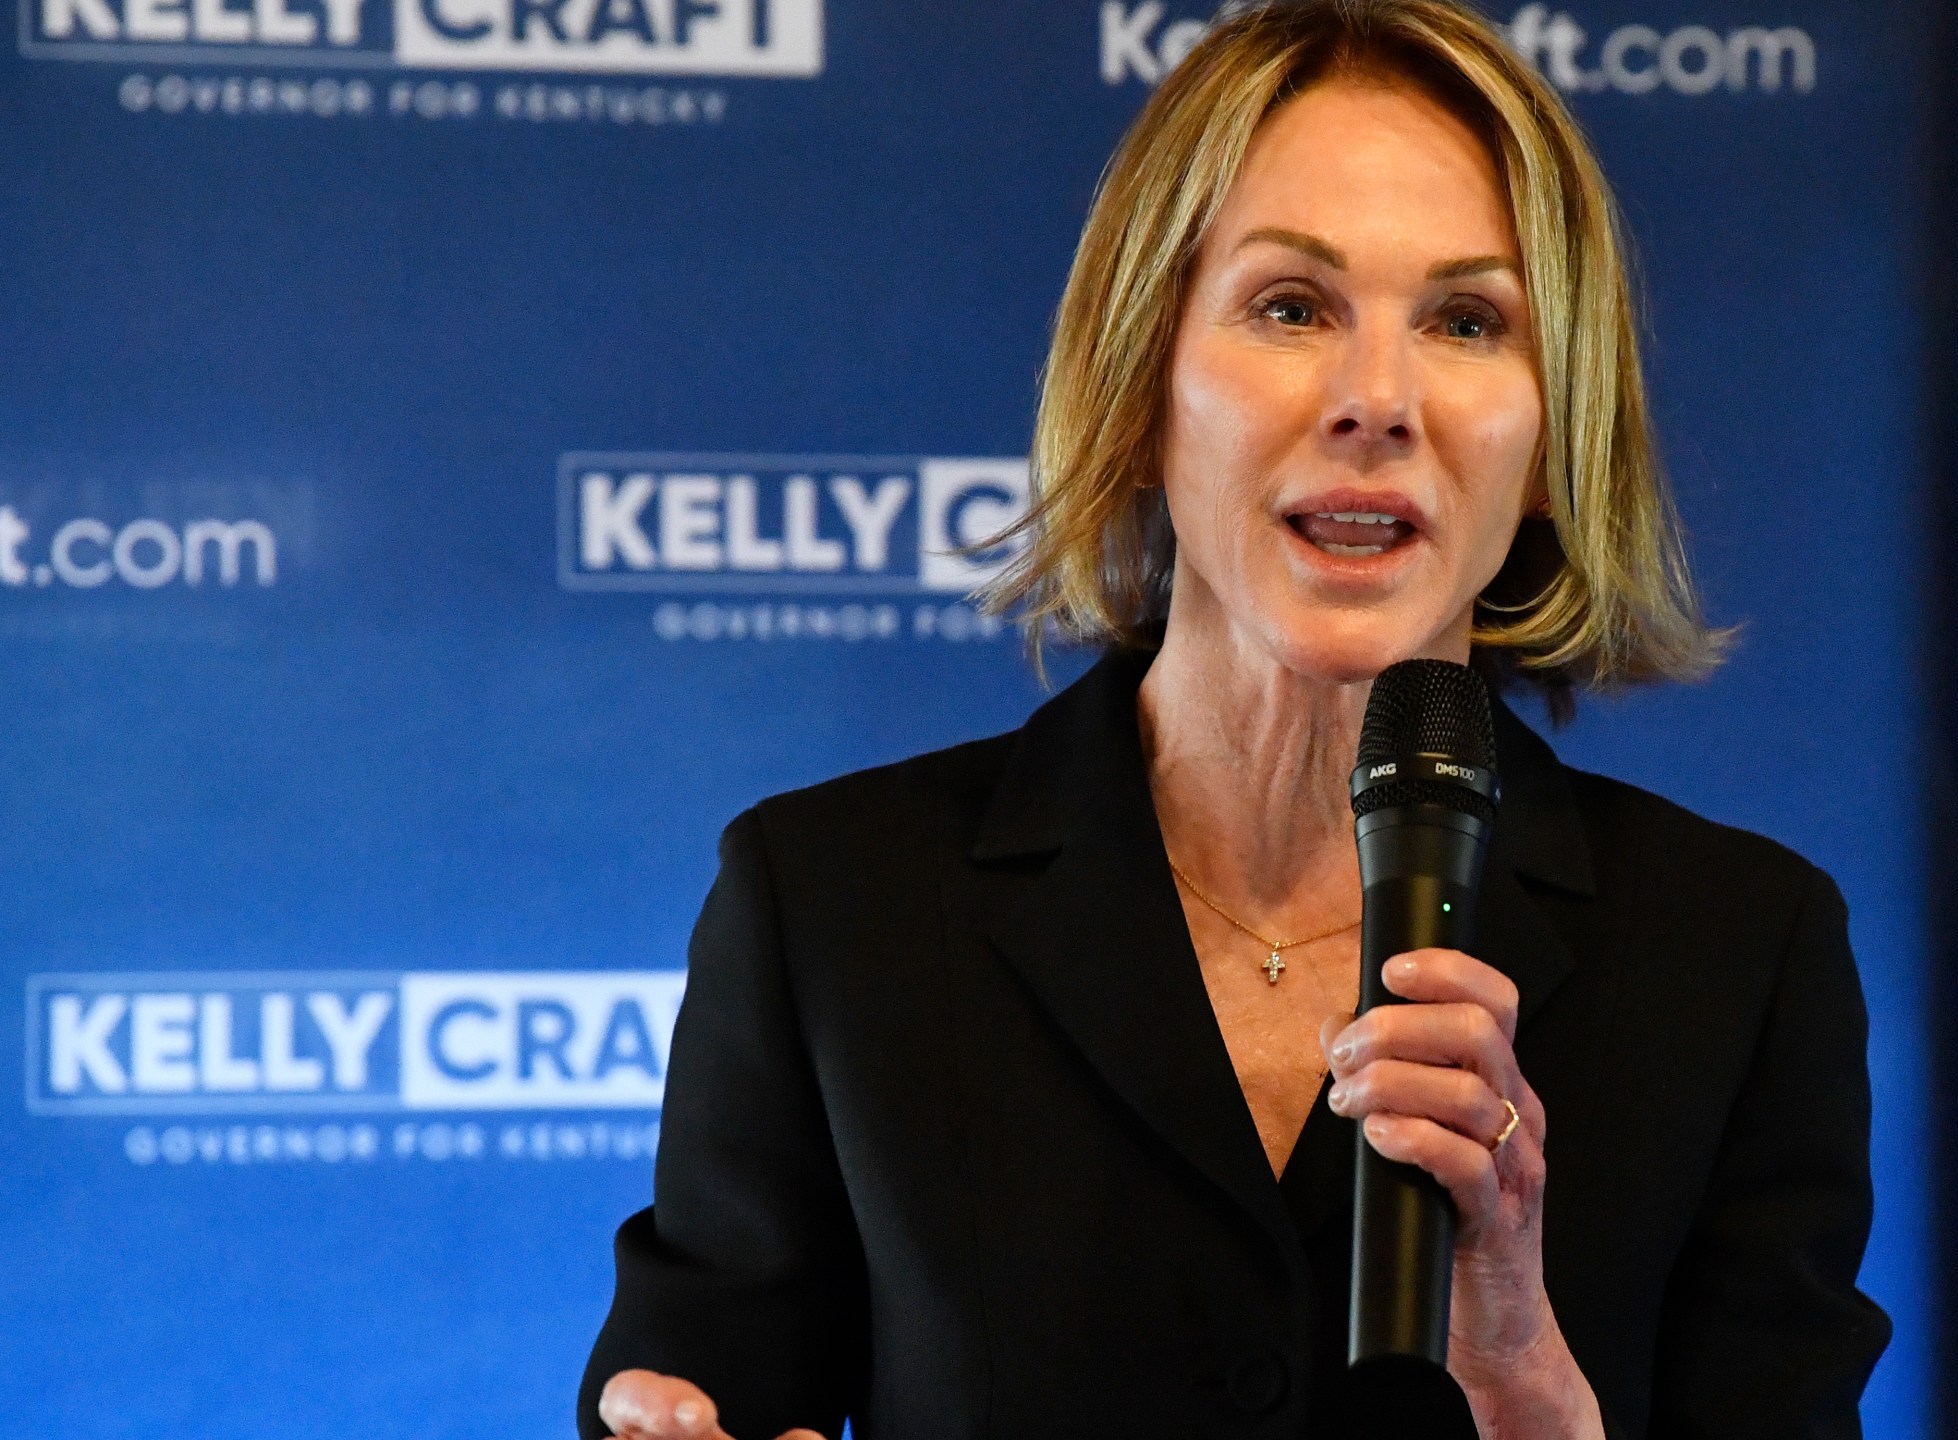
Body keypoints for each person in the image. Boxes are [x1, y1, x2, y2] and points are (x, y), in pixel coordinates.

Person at [579, 2, 1889, 1436]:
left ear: (1550, 438)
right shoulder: (831, 906)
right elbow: (693, 1393)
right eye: (1292, 307)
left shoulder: (1735, 956)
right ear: (1142, 381)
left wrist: (1523, 1372)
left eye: (1466, 321)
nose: (1376, 399)